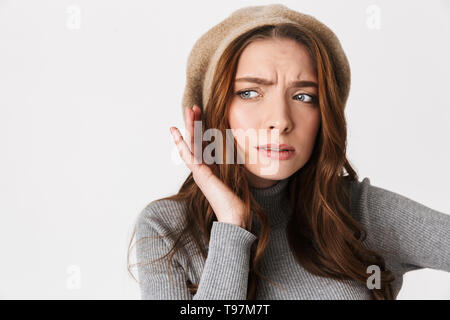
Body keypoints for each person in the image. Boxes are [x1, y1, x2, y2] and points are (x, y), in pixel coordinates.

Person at [128, 4, 450, 300]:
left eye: (304, 97)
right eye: (250, 92)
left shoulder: (356, 211)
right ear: (213, 111)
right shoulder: (166, 229)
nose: (280, 120)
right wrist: (232, 225)